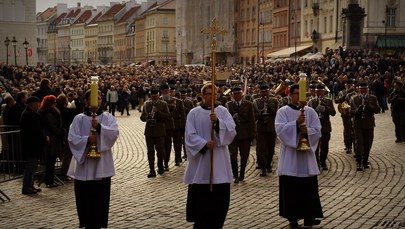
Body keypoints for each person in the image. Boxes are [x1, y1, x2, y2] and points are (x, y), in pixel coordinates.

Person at [184, 82, 236, 229]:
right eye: (208, 94)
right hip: (202, 163)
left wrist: (218, 122)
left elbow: (232, 131)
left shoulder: (223, 111)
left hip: (219, 161)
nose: (211, 96)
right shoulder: (194, 113)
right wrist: (204, 144)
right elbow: (189, 135)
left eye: (214, 93)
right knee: (202, 202)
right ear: (202, 96)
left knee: (219, 202)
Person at [67, 89, 119, 229]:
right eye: (93, 99)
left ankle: (99, 223)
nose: (97, 102)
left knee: (100, 198)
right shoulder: (79, 118)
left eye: (99, 99)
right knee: (85, 198)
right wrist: (87, 139)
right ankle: (86, 222)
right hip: (84, 166)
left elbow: (114, 133)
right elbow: (72, 138)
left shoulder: (107, 117)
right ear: (86, 101)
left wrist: (100, 128)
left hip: (101, 165)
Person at [275, 83, 323, 227]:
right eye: (296, 93)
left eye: (302, 94)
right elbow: (280, 131)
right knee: (292, 187)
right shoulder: (282, 111)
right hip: (290, 156)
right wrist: (296, 123)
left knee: (308, 187)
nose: (300, 97)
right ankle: (293, 217)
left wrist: (306, 132)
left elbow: (318, 130)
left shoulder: (310, 111)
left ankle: (309, 216)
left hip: (306, 156)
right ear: (290, 95)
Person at [226, 85, 256, 183]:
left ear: (241, 94)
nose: (236, 96)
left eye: (238, 93)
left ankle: (242, 173)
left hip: (245, 133)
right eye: (235, 94)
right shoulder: (228, 105)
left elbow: (252, 119)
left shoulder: (248, 104)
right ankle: (235, 175)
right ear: (232, 95)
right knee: (233, 155)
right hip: (233, 133)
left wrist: (252, 134)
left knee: (244, 155)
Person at [140, 88, 171, 177]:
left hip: (160, 130)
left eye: (156, 96)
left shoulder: (163, 104)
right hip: (149, 131)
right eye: (152, 96)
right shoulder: (146, 104)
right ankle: (151, 170)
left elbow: (168, 116)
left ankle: (160, 167)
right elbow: (142, 117)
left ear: (158, 96)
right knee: (150, 151)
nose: (154, 98)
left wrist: (158, 112)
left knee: (160, 150)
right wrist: (147, 117)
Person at [349, 82, 380, 171]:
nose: (363, 90)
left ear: (368, 89)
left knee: (368, 143)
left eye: (365, 89)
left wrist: (369, 106)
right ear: (358, 89)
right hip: (358, 123)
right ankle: (359, 162)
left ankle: (365, 160)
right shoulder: (354, 99)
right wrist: (358, 110)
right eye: (361, 89)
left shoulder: (373, 98)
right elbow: (351, 112)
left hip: (369, 123)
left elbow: (377, 110)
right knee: (359, 143)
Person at [20, 96, 46, 195]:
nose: (38, 105)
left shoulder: (31, 113)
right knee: (30, 166)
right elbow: (35, 130)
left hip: (33, 144)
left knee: (33, 166)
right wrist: (43, 137)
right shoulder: (28, 114)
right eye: (37, 103)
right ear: (32, 104)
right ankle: (26, 187)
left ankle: (30, 185)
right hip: (30, 145)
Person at [253, 84, 279, 176]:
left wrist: (269, 109)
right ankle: (263, 168)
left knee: (271, 148)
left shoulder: (274, 101)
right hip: (261, 128)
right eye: (262, 92)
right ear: (260, 92)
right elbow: (254, 115)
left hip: (271, 128)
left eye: (266, 91)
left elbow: (276, 113)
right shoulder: (256, 102)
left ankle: (268, 164)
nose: (264, 93)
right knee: (262, 149)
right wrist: (260, 114)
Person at [39, 95, 65, 188]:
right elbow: (53, 126)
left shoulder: (50, 111)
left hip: (53, 138)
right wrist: (61, 132)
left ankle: (50, 179)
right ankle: (49, 180)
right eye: (54, 102)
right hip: (51, 139)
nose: (55, 104)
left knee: (52, 161)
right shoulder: (49, 113)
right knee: (50, 160)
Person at [308, 84, 336, 170]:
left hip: (325, 126)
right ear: (315, 92)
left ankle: (323, 161)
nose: (319, 93)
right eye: (317, 92)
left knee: (324, 145)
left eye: (321, 91)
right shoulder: (311, 101)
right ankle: (316, 162)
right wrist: (315, 111)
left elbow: (333, 113)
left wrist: (325, 108)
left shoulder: (328, 101)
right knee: (315, 145)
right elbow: (308, 114)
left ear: (324, 92)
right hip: (315, 126)